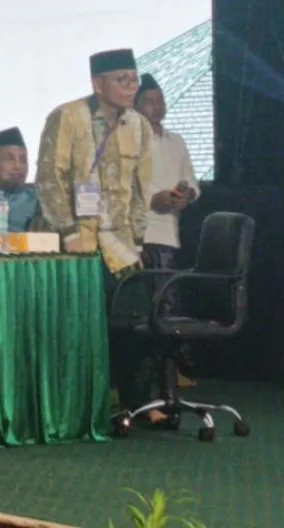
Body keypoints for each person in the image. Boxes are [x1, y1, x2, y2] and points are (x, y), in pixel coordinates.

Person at [35, 48, 155, 419]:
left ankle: (139, 404)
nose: (131, 87)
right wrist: (69, 231)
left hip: (121, 244)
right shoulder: (68, 117)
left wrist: (138, 240)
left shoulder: (139, 125)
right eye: (122, 79)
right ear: (98, 84)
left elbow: (141, 188)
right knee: (82, 328)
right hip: (76, 241)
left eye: (134, 79)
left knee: (136, 321)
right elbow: (49, 177)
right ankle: (88, 405)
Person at [135, 72, 200, 387]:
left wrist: (187, 195)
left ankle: (170, 370)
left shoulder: (177, 141)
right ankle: (156, 374)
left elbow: (192, 182)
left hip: (170, 234)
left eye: (160, 100)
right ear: (135, 107)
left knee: (169, 304)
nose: (157, 106)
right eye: (149, 101)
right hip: (141, 233)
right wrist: (154, 199)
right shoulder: (129, 141)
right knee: (149, 307)